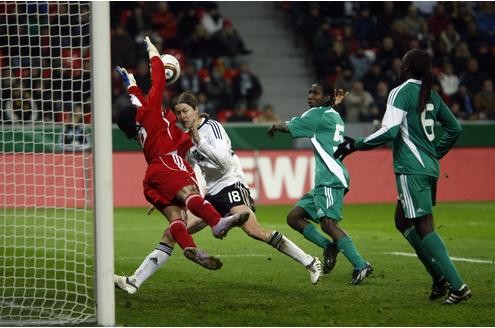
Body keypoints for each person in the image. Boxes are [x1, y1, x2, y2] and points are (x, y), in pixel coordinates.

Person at [113, 91, 323, 294]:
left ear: (196, 110)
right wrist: (167, 192)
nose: (182, 117)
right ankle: (134, 281)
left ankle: (310, 261)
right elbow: (185, 169)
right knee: (173, 233)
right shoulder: (185, 137)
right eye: (178, 113)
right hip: (212, 194)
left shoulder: (211, 128)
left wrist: (200, 142)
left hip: (231, 184)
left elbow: (224, 163)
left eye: (186, 111)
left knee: (254, 230)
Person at [334, 49, 470, 304]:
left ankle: (457, 285)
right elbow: (455, 128)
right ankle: (439, 278)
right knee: (402, 220)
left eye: (402, 61)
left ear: (406, 66)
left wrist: (356, 145)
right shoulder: (430, 94)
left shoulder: (401, 92)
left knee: (424, 226)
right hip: (428, 168)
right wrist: (433, 153)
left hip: (412, 169)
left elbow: (389, 131)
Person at [113, 37, 249, 291]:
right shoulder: (153, 116)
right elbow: (157, 83)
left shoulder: (144, 126)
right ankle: (217, 223)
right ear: (139, 114)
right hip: (168, 165)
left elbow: (136, 100)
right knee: (191, 196)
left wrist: (130, 83)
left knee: (176, 220)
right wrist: (154, 54)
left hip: (152, 179)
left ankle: (141, 278)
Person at [266, 82, 373, 285]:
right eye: (309, 91)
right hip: (325, 179)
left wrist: (274, 125)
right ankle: (328, 246)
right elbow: (324, 117)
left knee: (329, 224)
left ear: (326, 98)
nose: (310, 96)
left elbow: (289, 126)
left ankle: (361, 264)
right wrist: (332, 103)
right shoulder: (331, 114)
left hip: (330, 178)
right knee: (294, 217)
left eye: (316, 93)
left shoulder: (316, 114)